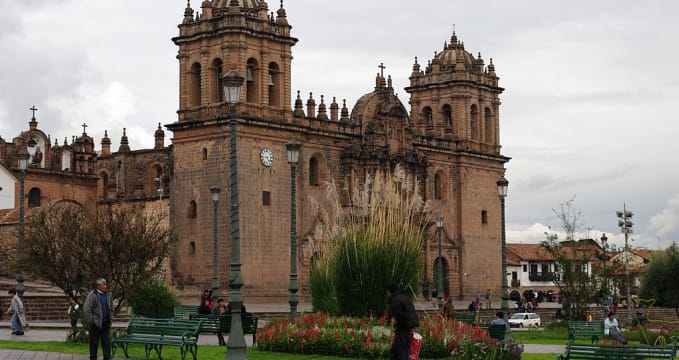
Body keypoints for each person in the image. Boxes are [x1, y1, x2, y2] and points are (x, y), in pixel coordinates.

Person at [387, 283, 419, 360]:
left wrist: (395, 322)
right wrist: (413, 326)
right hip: (409, 327)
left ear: (389, 291)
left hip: (404, 329)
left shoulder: (395, 300)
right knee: (395, 351)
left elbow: (399, 316)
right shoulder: (404, 297)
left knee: (402, 352)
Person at [84, 278, 113, 360]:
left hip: (106, 323)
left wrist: (110, 319)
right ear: (99, 286)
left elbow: (111, 308)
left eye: (105, 284)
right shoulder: (92, 295)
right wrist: (92, 321)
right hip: (95, 324)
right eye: (104, 284)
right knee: (94, 343)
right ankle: (93, 358)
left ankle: (107, 358)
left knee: (106, 343)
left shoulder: (108, 294)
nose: (105, 286)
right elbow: (87, 309)